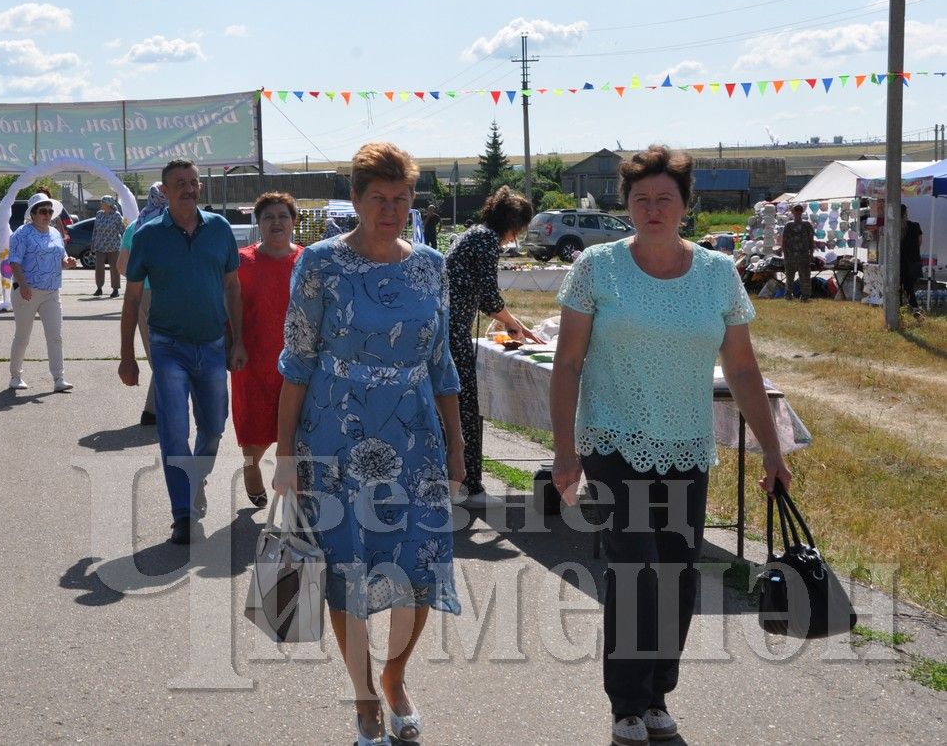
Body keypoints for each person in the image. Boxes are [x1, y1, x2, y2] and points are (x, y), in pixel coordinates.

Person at [549, 146, 793, 746]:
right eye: (640, 199)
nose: (652, 209)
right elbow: (568, 360)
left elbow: (741, 369)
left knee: (679, 573)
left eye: (664, 198)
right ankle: (626, 702)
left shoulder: (717, 274)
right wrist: (565, 450)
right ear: (625, 205)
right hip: (612, 438)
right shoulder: (597, 267)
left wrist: (772, 449)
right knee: (635, 568)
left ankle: (657, 691)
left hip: (685, 444)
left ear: (686, 204)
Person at [272, 142, 463, 746]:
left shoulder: (432, 265)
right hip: (335, 434)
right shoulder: (320, 264)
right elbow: (297, 360)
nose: (390, 209)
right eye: (377, 198)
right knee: (344, 568)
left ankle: (395, 676)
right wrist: (283, 455)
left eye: (400, 198)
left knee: (418, 566)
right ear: (354, 200)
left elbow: (442, 364)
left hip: (416, 437)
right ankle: (363, 700)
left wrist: (458, 448)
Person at [118, 159, 246, 546]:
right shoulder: (148, 236)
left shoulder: (220, 230)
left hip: (211, 346)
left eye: (194, 182)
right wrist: (126, 355)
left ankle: (196, 477)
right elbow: (132, 297)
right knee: (174, 432)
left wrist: (237, 339)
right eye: (180, 183)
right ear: (165, 191)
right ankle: (183, 515)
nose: (189, 188)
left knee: (213, 427)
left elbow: (233, 287)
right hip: (168, 346)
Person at [444, 186, 541, 503]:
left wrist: (517, 325)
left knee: (454, 407)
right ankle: (469, 487)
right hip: (453, 329)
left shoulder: (474, 233)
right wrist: (517, 326)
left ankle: (455, 483)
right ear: (513, 224)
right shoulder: (486, 241)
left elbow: (486, 298)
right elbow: (489, 298)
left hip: (445, 327)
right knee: (466, 407)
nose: (514, 238)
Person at [230, 192, 303, 509]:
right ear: (258, 223)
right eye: (269, 217)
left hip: (299, 358)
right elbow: (228, 306)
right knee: (256, 422)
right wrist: (234, 342)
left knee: (297, 424)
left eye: (283, 216)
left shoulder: (307, 260)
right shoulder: (242, 261)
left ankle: (295, 491)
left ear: (293, 222)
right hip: (253, 355)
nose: (276, 222)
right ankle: (251, 464)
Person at [7, 193, 78, 392]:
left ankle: (58, 378)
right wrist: (23, 285)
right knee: (23, 336)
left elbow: (61, 258)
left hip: (51, 292)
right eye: (43, 211)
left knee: (55, 336)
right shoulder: (22, 233)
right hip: (27, 292)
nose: (47, 215)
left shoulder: (55, 233)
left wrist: (68, 263)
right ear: (33, 214)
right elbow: (14, 261)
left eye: (50, 211)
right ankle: (15, 376)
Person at [116, 184, 168, 427]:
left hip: (142, 294)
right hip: (166, 294)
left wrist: (142, 273)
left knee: (161, 354)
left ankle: (154, 411)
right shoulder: (176, 223)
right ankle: (155, 413)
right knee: (167, 356)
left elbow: (121, 267)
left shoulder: (136, 226)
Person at [90, 195, 126, 298]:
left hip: (113, 246)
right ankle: (99, 288)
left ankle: (115, 289)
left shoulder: (117, 215)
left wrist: (126, 244)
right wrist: (93, 244)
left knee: (114, 268)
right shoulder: (99, 214)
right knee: (99, 267)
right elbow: (95, 230)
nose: (101, 204)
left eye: (103, 202)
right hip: (100, 246)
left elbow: (123, 230)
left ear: (108, 204)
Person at [780, 202, 814, 301]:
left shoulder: (807, 225)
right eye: (796, 210)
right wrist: (785, 255)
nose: (798, 212)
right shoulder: (788, 225)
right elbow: (784, 241)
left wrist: (811, 253)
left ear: (802, 212)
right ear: (792, 212)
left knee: (805, 277)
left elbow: (811, 240)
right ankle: (788, 295)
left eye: (800, 210)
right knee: (790, 277)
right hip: (790, 255)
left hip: (804, 255)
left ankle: (805, 296)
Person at [900, 204, 925, 320]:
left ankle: (912, 307)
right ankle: (914, 308)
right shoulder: (915, 226)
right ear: (906, 213)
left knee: (906, 286)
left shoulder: (896, 227)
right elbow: (919, 242)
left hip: (902, 261)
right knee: (909, 286)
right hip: (914, 260)